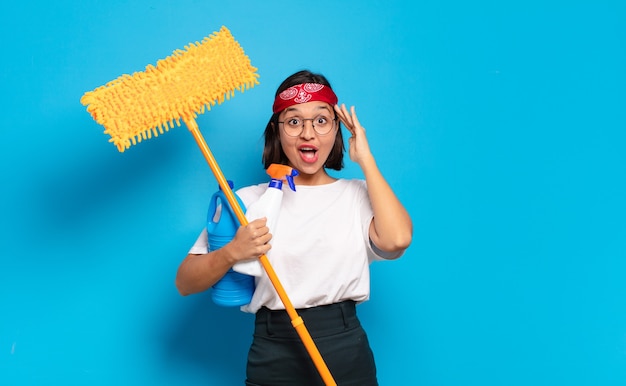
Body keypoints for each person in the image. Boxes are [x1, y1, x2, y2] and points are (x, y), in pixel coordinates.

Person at [175, 70, 413, 385]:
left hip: (343, 346)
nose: (308, 133)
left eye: (321, 120)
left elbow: (397, 240)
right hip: (273, 350)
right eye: (294, 121)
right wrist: (233, 252)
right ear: (277, 130)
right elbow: (185, 282)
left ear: (336, 129)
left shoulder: (357, 196)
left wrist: (365, 159)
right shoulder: (246, 203)